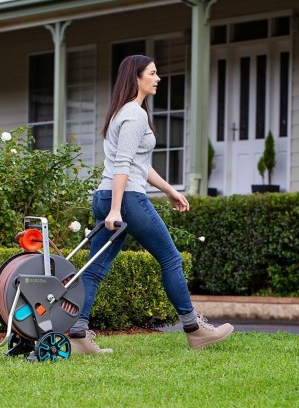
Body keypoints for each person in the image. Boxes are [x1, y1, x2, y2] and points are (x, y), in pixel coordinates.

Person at [68, 54, 233, 354]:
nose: (158, 79)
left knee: (94, 268)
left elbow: (138, 165)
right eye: (153, 73)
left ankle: (77, 332)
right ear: (136, 77)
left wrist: (169, 189)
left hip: (105, 195)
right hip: (125, 198)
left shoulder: (121, 113)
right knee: (170, 258)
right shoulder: (135, 115)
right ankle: (194, 329)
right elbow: (123, 164)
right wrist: (117, 209)